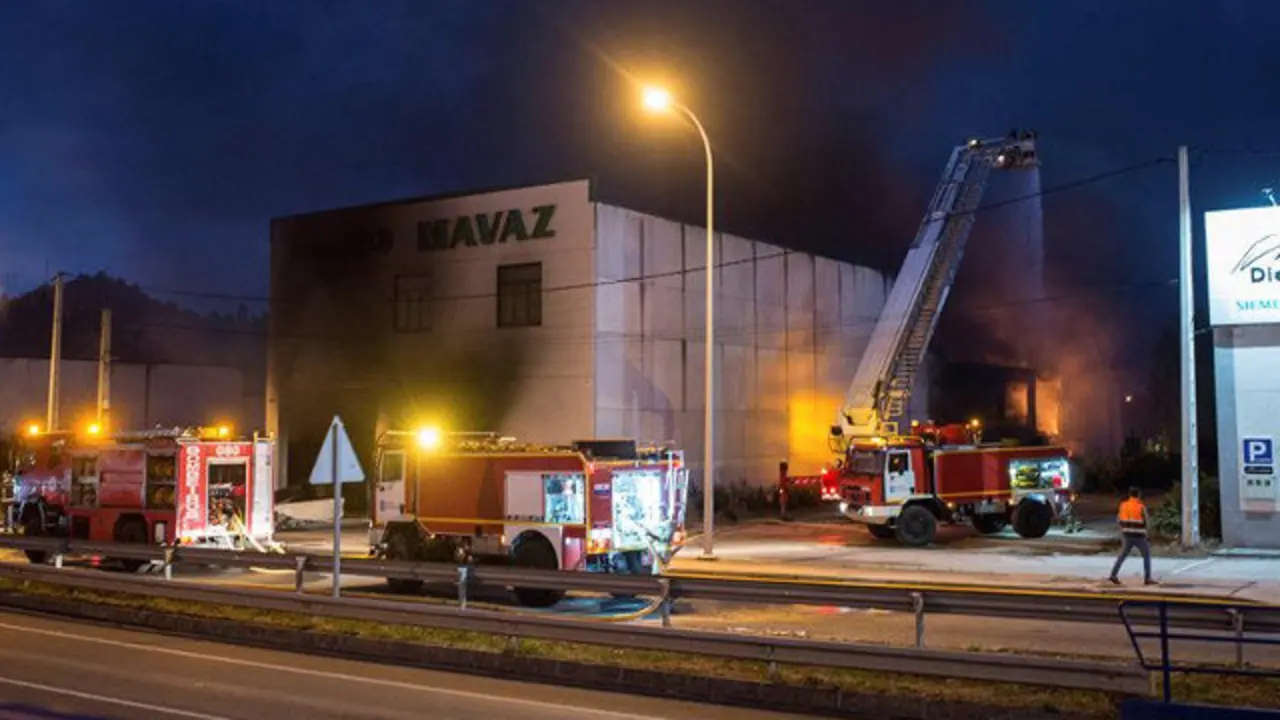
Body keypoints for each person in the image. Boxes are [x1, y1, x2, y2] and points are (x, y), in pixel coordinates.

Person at [1109, 486, 1156, 585]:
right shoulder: (1141, 506)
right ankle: (1147, 579)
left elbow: (1118, 520)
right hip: (1139, 535)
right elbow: (1146, 521)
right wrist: (1147, 532)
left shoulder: (1123, 505)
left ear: (1129, 495)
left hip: (1126, 535)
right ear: (1139, 495)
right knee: (1146, 555)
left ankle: (1113, 575)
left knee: (1122, 556)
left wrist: (1123, 529)